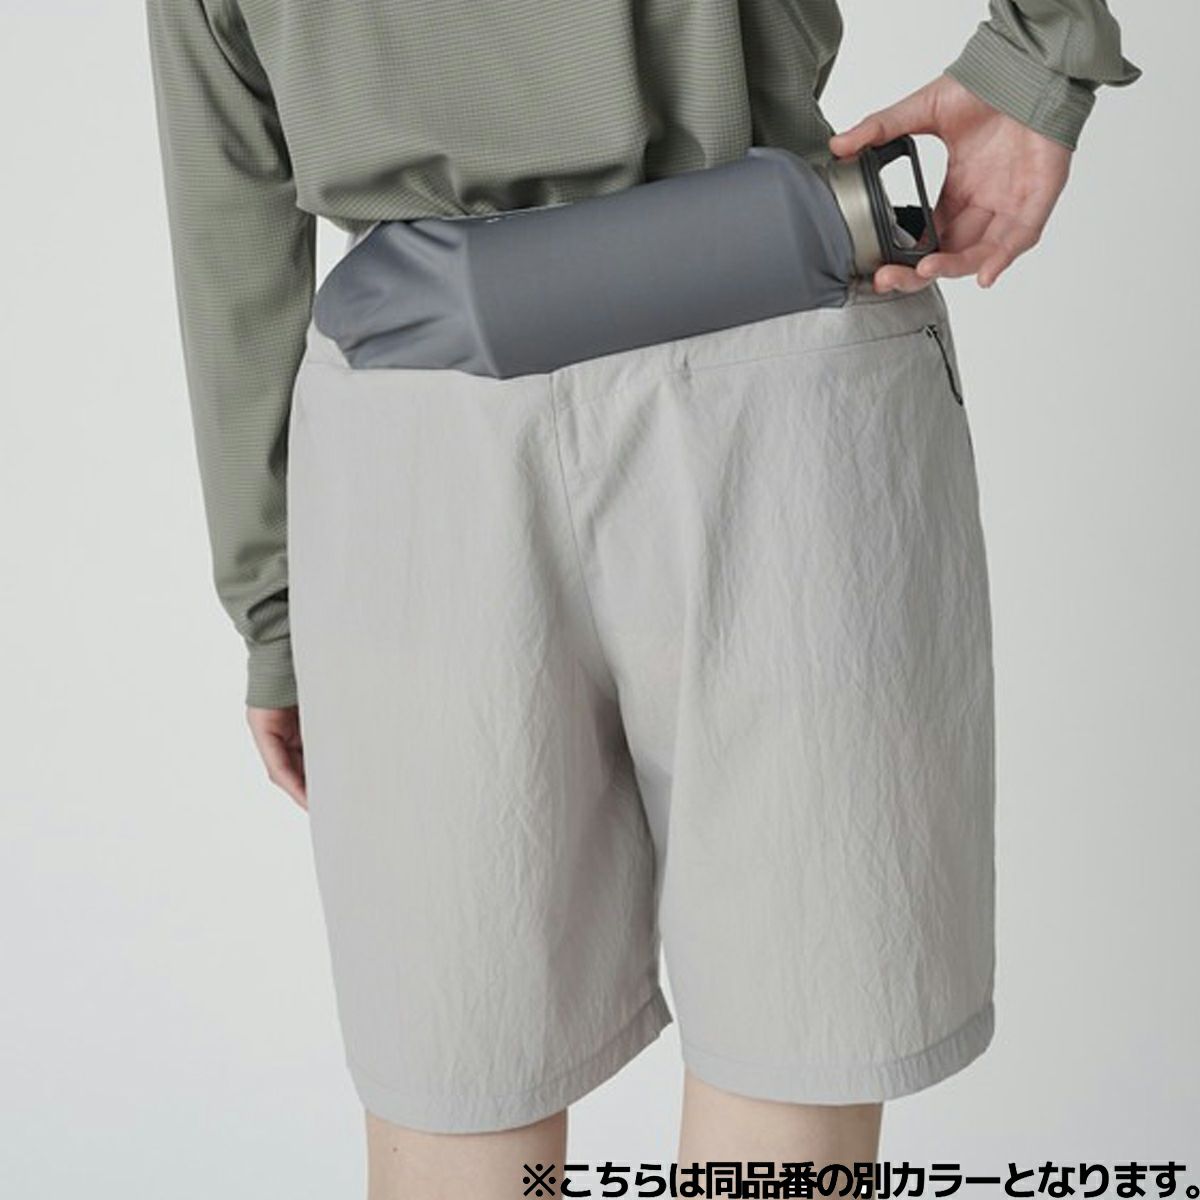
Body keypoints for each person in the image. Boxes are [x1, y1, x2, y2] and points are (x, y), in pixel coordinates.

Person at [144, 1, 1139, 1195]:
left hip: (418, 432)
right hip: (777, 357)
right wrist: (1039, 62)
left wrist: (276, 610)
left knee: (461, 1093)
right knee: (794, 1057)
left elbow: (230, 199)